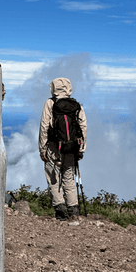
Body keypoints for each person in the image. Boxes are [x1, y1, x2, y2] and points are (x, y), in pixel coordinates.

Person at [38, 77, 88, 220]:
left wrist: (42, 148)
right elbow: (83, 127)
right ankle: (73, 211)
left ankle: (60, 211)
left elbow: (44, 127)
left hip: (54, 148)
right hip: (72, 148)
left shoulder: (50, 103)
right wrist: (81, 149)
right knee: (69, 179)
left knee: (53, 178)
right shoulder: (76, 105)